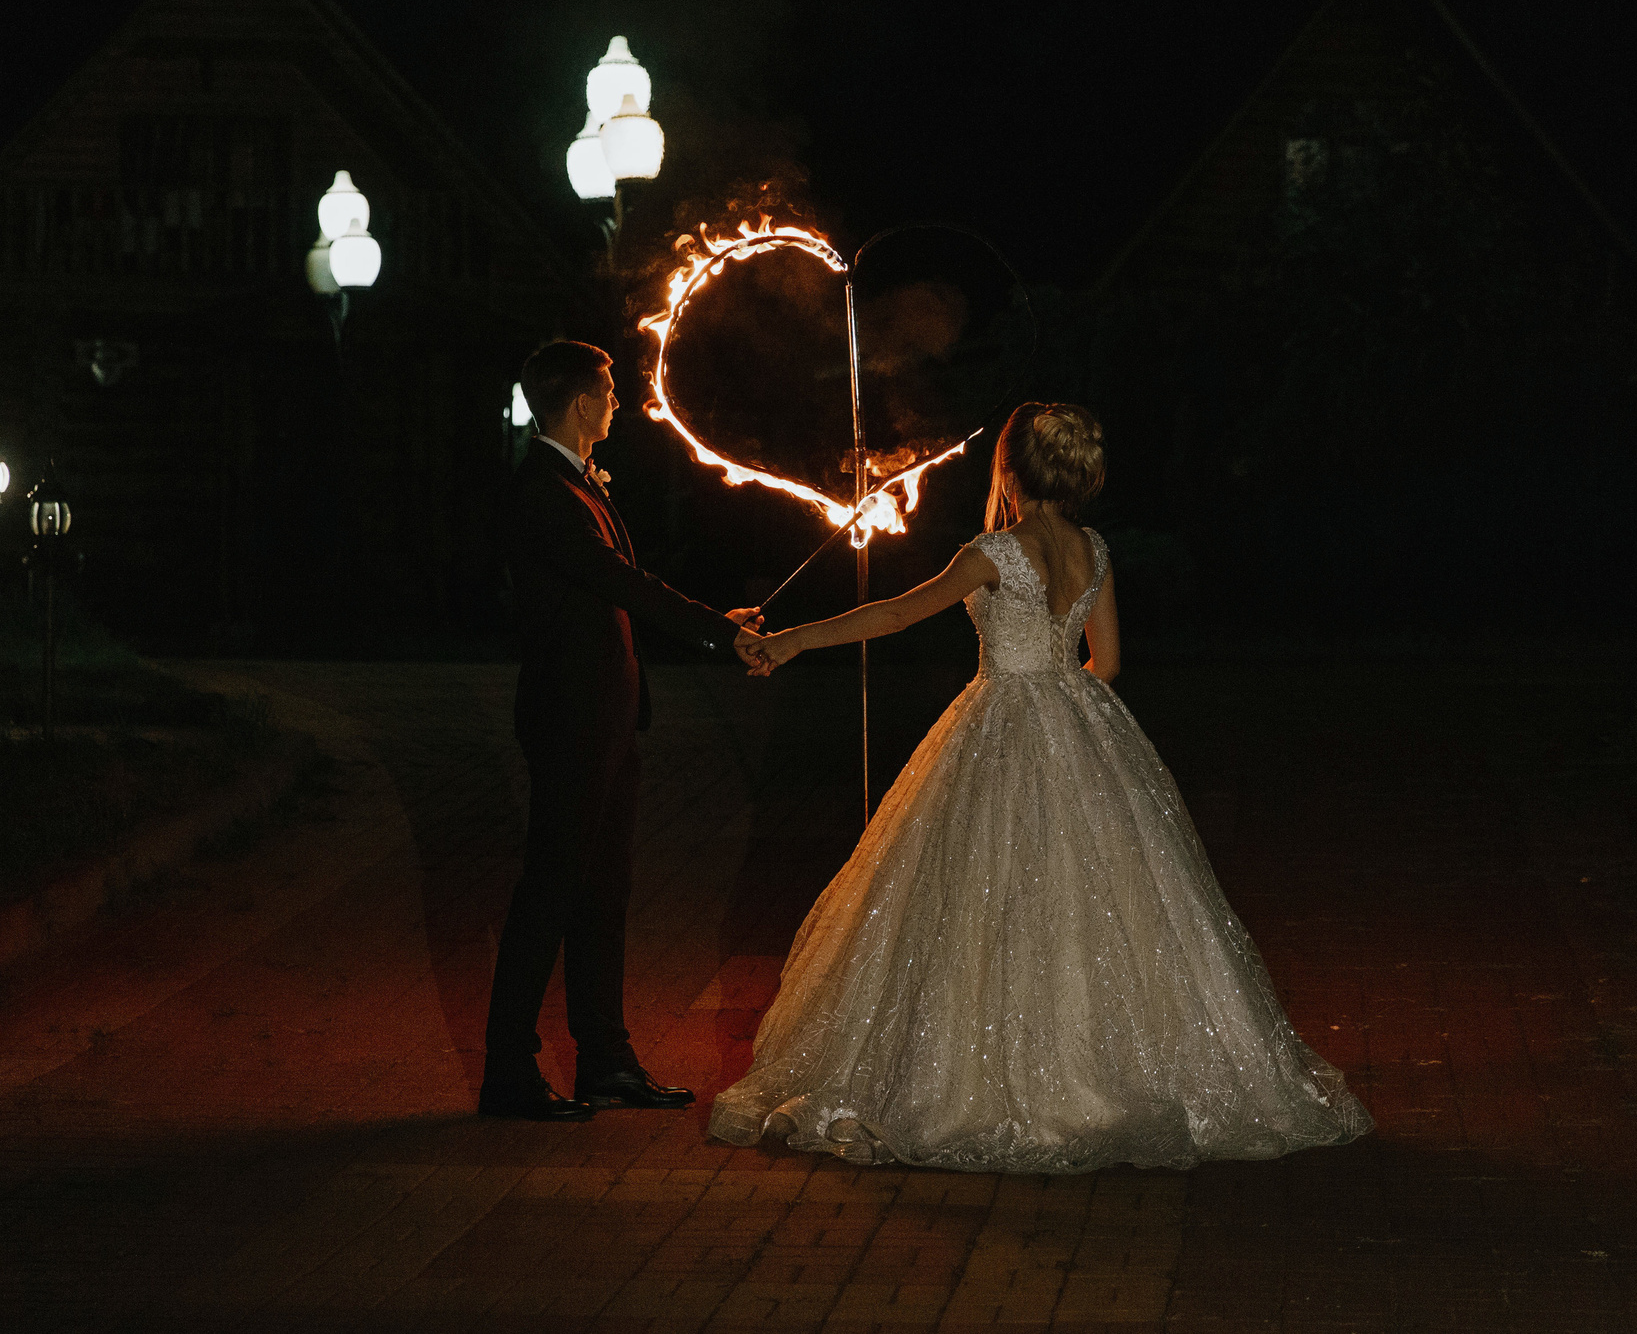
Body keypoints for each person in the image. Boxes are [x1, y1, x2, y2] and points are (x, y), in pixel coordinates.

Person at [709, 402, 1373, 1171]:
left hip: (1001, 714)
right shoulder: (1093, 548)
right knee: (1099, 897)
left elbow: (896, 614)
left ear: (1010, 472)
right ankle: (1117, 1067)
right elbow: (1110, 663)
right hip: (1083, 718)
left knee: (982, 896)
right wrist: (1066, 716)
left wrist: (791, 640)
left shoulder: (995, 549)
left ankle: (997, 1081)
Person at [481, 340, 768, 1122]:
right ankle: (507, 1071)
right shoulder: (544, 491)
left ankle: (605, 1060)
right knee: (550, 889)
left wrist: (717, 624)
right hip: (570, 720)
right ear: (580, 403)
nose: (620, 403)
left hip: (606, 718)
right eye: (609, 391)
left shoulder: (576, 484)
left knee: (603, 893)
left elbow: (618, 598)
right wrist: (717, 631)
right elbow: (619, 582)